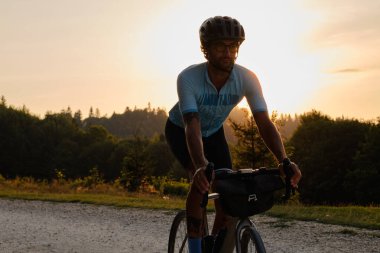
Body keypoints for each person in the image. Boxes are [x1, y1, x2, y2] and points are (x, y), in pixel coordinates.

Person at [165, 16, 302, 253]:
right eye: (220, 46)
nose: (228, 53)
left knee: (228, 192)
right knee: (201, 184)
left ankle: (218, 244)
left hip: (214, 132)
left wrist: (284, 160)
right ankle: (196, 249)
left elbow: (264, 122)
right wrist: (199, 165)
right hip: (181, 130)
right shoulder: (188, 78)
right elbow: (191, 122)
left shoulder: (247, 78)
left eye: (233, 46)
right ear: (205, 50)